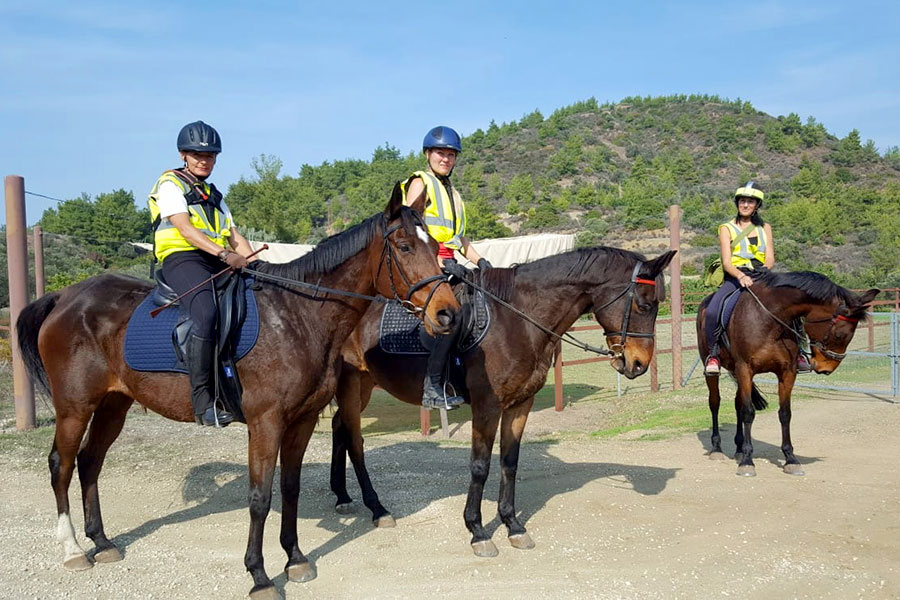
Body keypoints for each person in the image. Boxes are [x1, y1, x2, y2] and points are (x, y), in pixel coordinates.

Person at [148, 121, 254, 426]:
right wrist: (224, 254)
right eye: (197, 155)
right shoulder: (170, 185)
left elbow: (234, 236)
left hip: (215, 259)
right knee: (206, 313)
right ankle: (203, 402)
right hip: (182, 259)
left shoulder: (215, 195)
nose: (204, 160)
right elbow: (184, 228)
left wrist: (255, 265)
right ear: (183, 154)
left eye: (210, 156)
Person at [400, 125, 491, 410]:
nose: (446, 158)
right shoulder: (421, 183)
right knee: (453, 316)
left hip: (451, 262)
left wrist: (481, 261)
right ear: (428, 154)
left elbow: (459, 237)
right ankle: (433, 385)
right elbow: (410, 229)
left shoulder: (454, 194)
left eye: (451, 154)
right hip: (427, 264)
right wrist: (440, 262)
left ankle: (464, 376)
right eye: (441, 152)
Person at [703, 182, 813, 376]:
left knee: (791, 303)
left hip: (762, 274)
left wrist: (765, 271)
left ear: (757, 206)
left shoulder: (765, 228)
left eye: (750, 202)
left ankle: (800, 353)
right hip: (736, 276)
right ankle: (713, 355)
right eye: (742, 201)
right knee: (712, 311)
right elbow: (726, 261)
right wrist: (741, 276)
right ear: (737, 203)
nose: (745, 205)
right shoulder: (726, 228)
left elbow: (770, 256)